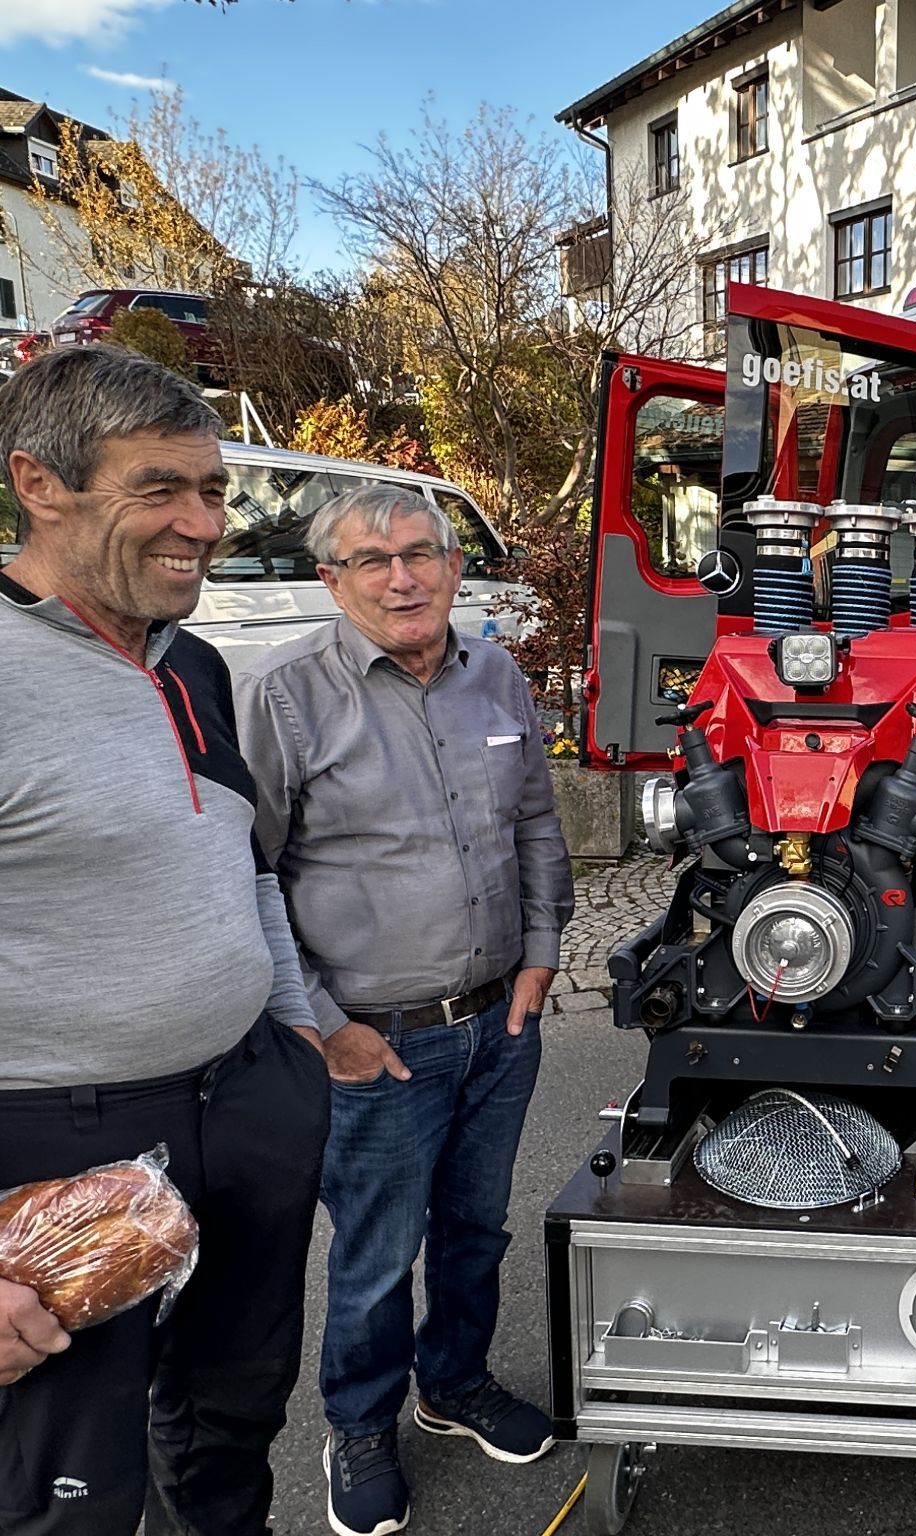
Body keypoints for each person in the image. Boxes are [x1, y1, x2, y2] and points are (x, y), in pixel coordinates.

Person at [0, 344, 330, 1535]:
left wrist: (293, 1042)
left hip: (245, 1100)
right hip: (52, 1143)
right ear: (41, 483)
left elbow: (245, 873)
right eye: (161, 490)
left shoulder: (191, 660)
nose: (204, 524)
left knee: (236, 1412)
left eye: (211, 491)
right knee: (67, 1478)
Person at [233, 485, 573, 1536]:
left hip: (498, 1023)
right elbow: (249, 873)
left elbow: (532, 823)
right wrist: (324, 1021)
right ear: (330, 580)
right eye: (372, 560)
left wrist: (541, 956)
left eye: (422, 553)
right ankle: (361, 1424)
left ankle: (453, 1384)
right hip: (374, 1043)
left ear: (454, 567)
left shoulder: (496, 674)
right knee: (377, 1254)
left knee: (475, 1227)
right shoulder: (285, 695)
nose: (403, 576)